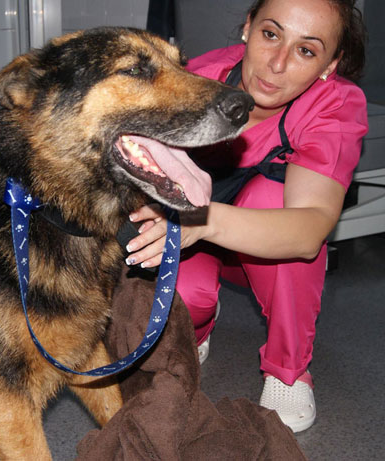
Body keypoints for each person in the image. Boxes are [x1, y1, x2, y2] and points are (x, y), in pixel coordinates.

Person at [124, 0, 368, 433]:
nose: (276, 64)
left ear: (330, 65)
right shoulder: (198, 77)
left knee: (272, 198)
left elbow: (310, 227)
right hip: (192, 233)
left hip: (267, 252)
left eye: (306, 51)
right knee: (179, 300)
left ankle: (287, 369)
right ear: (248, 28)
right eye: (271, 35)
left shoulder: (335, 106)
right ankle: (197, 327)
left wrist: (206, 222)